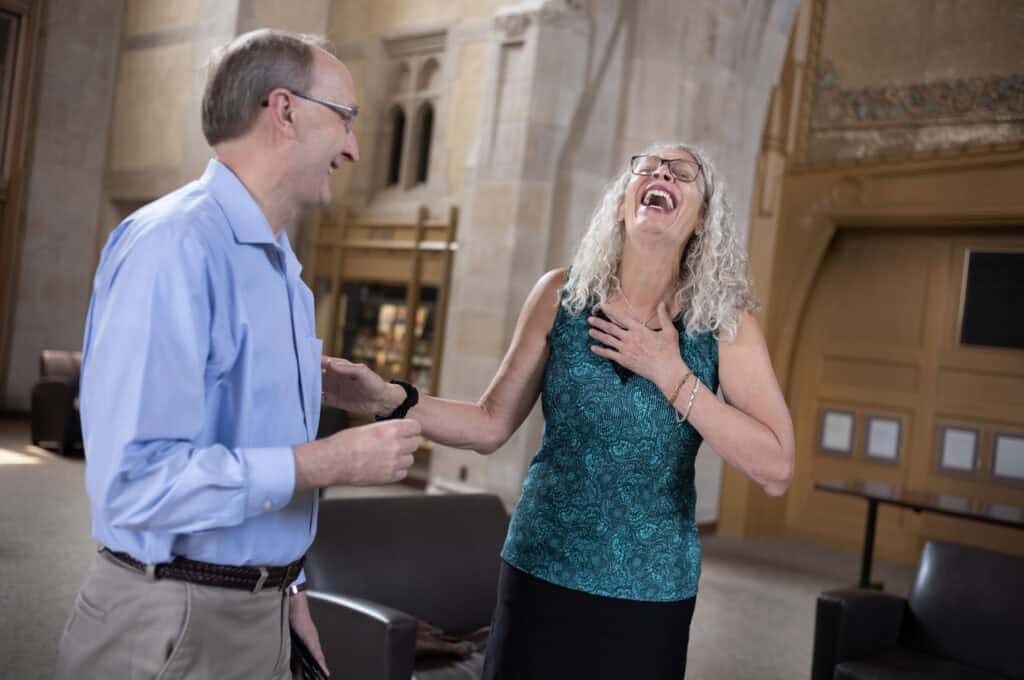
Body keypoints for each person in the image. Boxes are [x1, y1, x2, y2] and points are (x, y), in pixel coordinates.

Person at [329, 143, 795, 678]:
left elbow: (776, 468)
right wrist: (388, 399)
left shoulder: (724, 326)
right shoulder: (562, 296)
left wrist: (670, 371)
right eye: (647, 166)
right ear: (623, 203)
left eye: (683, 171)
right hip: (540, 568)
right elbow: (489, 423)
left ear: (703, 220)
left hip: (650, 590)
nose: (662, 172)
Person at [54, 29, 422, 680]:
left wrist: (290, 587)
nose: (355, 147)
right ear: (283, 111)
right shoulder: (174, 248)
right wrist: (324, 462)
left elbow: (245, 437)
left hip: (261, 609)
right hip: (170, 619)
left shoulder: (284, 274)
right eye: (345, 119)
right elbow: (136, 484)